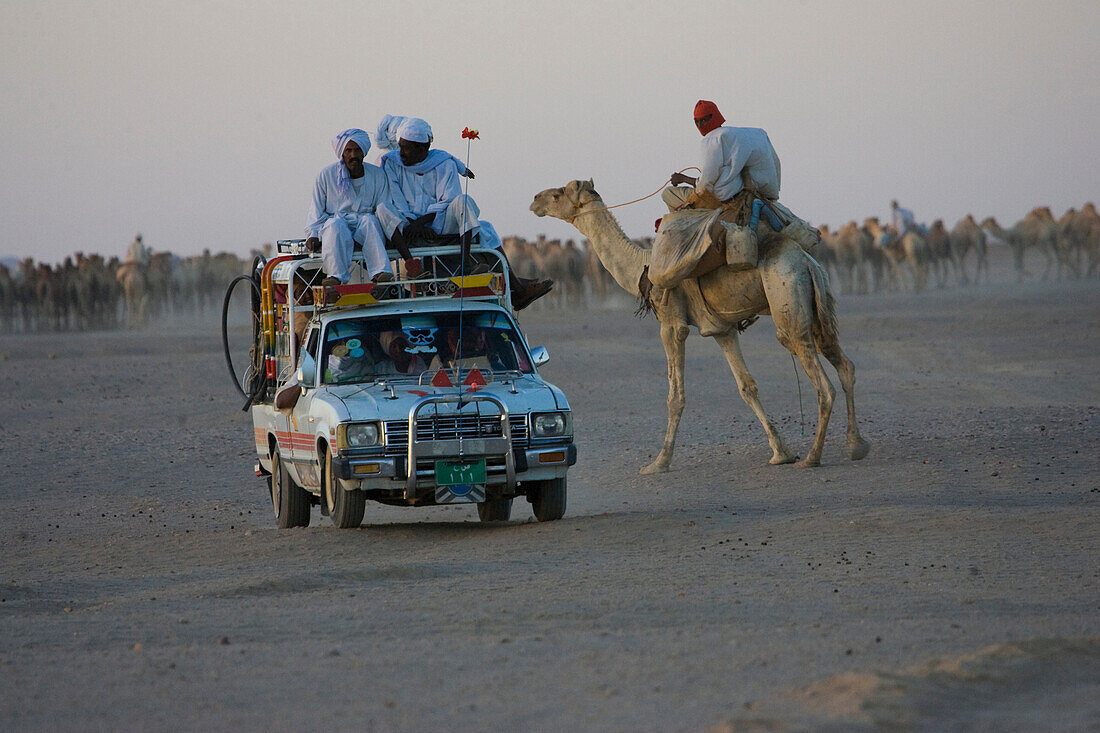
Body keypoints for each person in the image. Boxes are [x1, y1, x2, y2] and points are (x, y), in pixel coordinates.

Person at [376, 118, 552, 310]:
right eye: (400, 147)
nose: (401, 153)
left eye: (406, 148)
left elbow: (448, 200)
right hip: (406, 226)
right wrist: (414, 224)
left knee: (465, 203)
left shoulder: (444, 163)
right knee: (383, 208)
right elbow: (396, 199)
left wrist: (424, 223)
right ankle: (412, 264)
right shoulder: (391, 163)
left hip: (439, 222)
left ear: (423, 148)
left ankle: (466, 265)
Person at [305, 128, 394, 287]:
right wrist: (313, 234)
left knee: (370, 221)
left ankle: (380, 273)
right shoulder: (326, 175)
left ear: (364, 152)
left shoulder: (377, 174)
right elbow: (316, 211)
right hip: (337, 223)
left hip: (366, 225)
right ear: (342, 153)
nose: (353, 155)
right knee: (334, 225)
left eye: (357, 150)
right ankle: (335, 277)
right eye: (349, 151)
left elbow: (384, 208)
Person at [665, 100, 782, 213]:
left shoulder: (713, 139)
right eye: (697, 122)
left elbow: (705, 184)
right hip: (762, 194)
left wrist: (683, 179)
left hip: (723, 197)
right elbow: (775, 162)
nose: (701, 125)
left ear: (714, 117)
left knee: (668, 193)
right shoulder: (754, 134)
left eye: (704, 120)